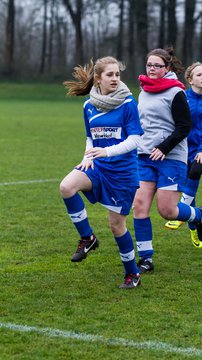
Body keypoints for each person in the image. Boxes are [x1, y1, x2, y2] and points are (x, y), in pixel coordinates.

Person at [60, 56, 144, 289]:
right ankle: (87, 238)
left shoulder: (128, 103)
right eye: (110, 75)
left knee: (116, 226)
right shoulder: (88, 105)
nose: (115, 78)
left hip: (123, 173)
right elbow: (90, 137)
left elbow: (136, 139)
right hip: (97, 166)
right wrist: (87, 157)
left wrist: (107, 152)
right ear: (98, 78)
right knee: (66, 187)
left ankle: (132, 274)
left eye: (117, 74)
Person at [133, 48, 202, 274]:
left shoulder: (176, 93)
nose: (152, 69)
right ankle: (146, 258)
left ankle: (198, 215)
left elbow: (185, 126)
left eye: (157, 65)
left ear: (167, 69)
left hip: (171, 157)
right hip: (145, 156)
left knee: (167, 210)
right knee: (139, 207)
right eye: (149, 65)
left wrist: (164, 147)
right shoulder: (143, 90)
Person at [165, 62, 202, 247]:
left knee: (196, 171)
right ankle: (195, 225)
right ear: (190, 80)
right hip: (182, 149)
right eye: (199, 75)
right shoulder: (182, 98)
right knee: (190, 185)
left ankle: (179, 213)